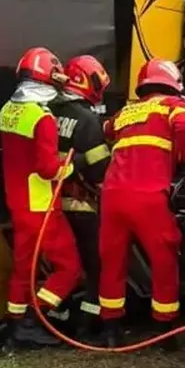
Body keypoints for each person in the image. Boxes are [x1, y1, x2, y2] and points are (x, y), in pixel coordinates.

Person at [97, 57, 185, 345]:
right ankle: (164, 328)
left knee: (113, 262)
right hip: (147, 196)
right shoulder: (173, 106)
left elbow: (106, 130)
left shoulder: (127, 111)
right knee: (163, 257)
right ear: (173, 83)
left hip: (112, 195)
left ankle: (110, 329)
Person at [0, 46, 83, 346]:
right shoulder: (43, 118)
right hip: (42, 207)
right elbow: (48, 169)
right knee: (69, 268)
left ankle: (16, 324)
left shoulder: (8, 111)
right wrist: (72, 166)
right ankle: (37, 317)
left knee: (23, 267)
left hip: (17, 202)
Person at [52, 55, 112, 333]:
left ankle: (59, 318)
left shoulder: (49, 111)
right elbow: (100, 171)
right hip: (82, 205)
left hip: (52, 204)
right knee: (95, 268)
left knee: (64, 266)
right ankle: (88, 325)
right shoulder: (87, 120)